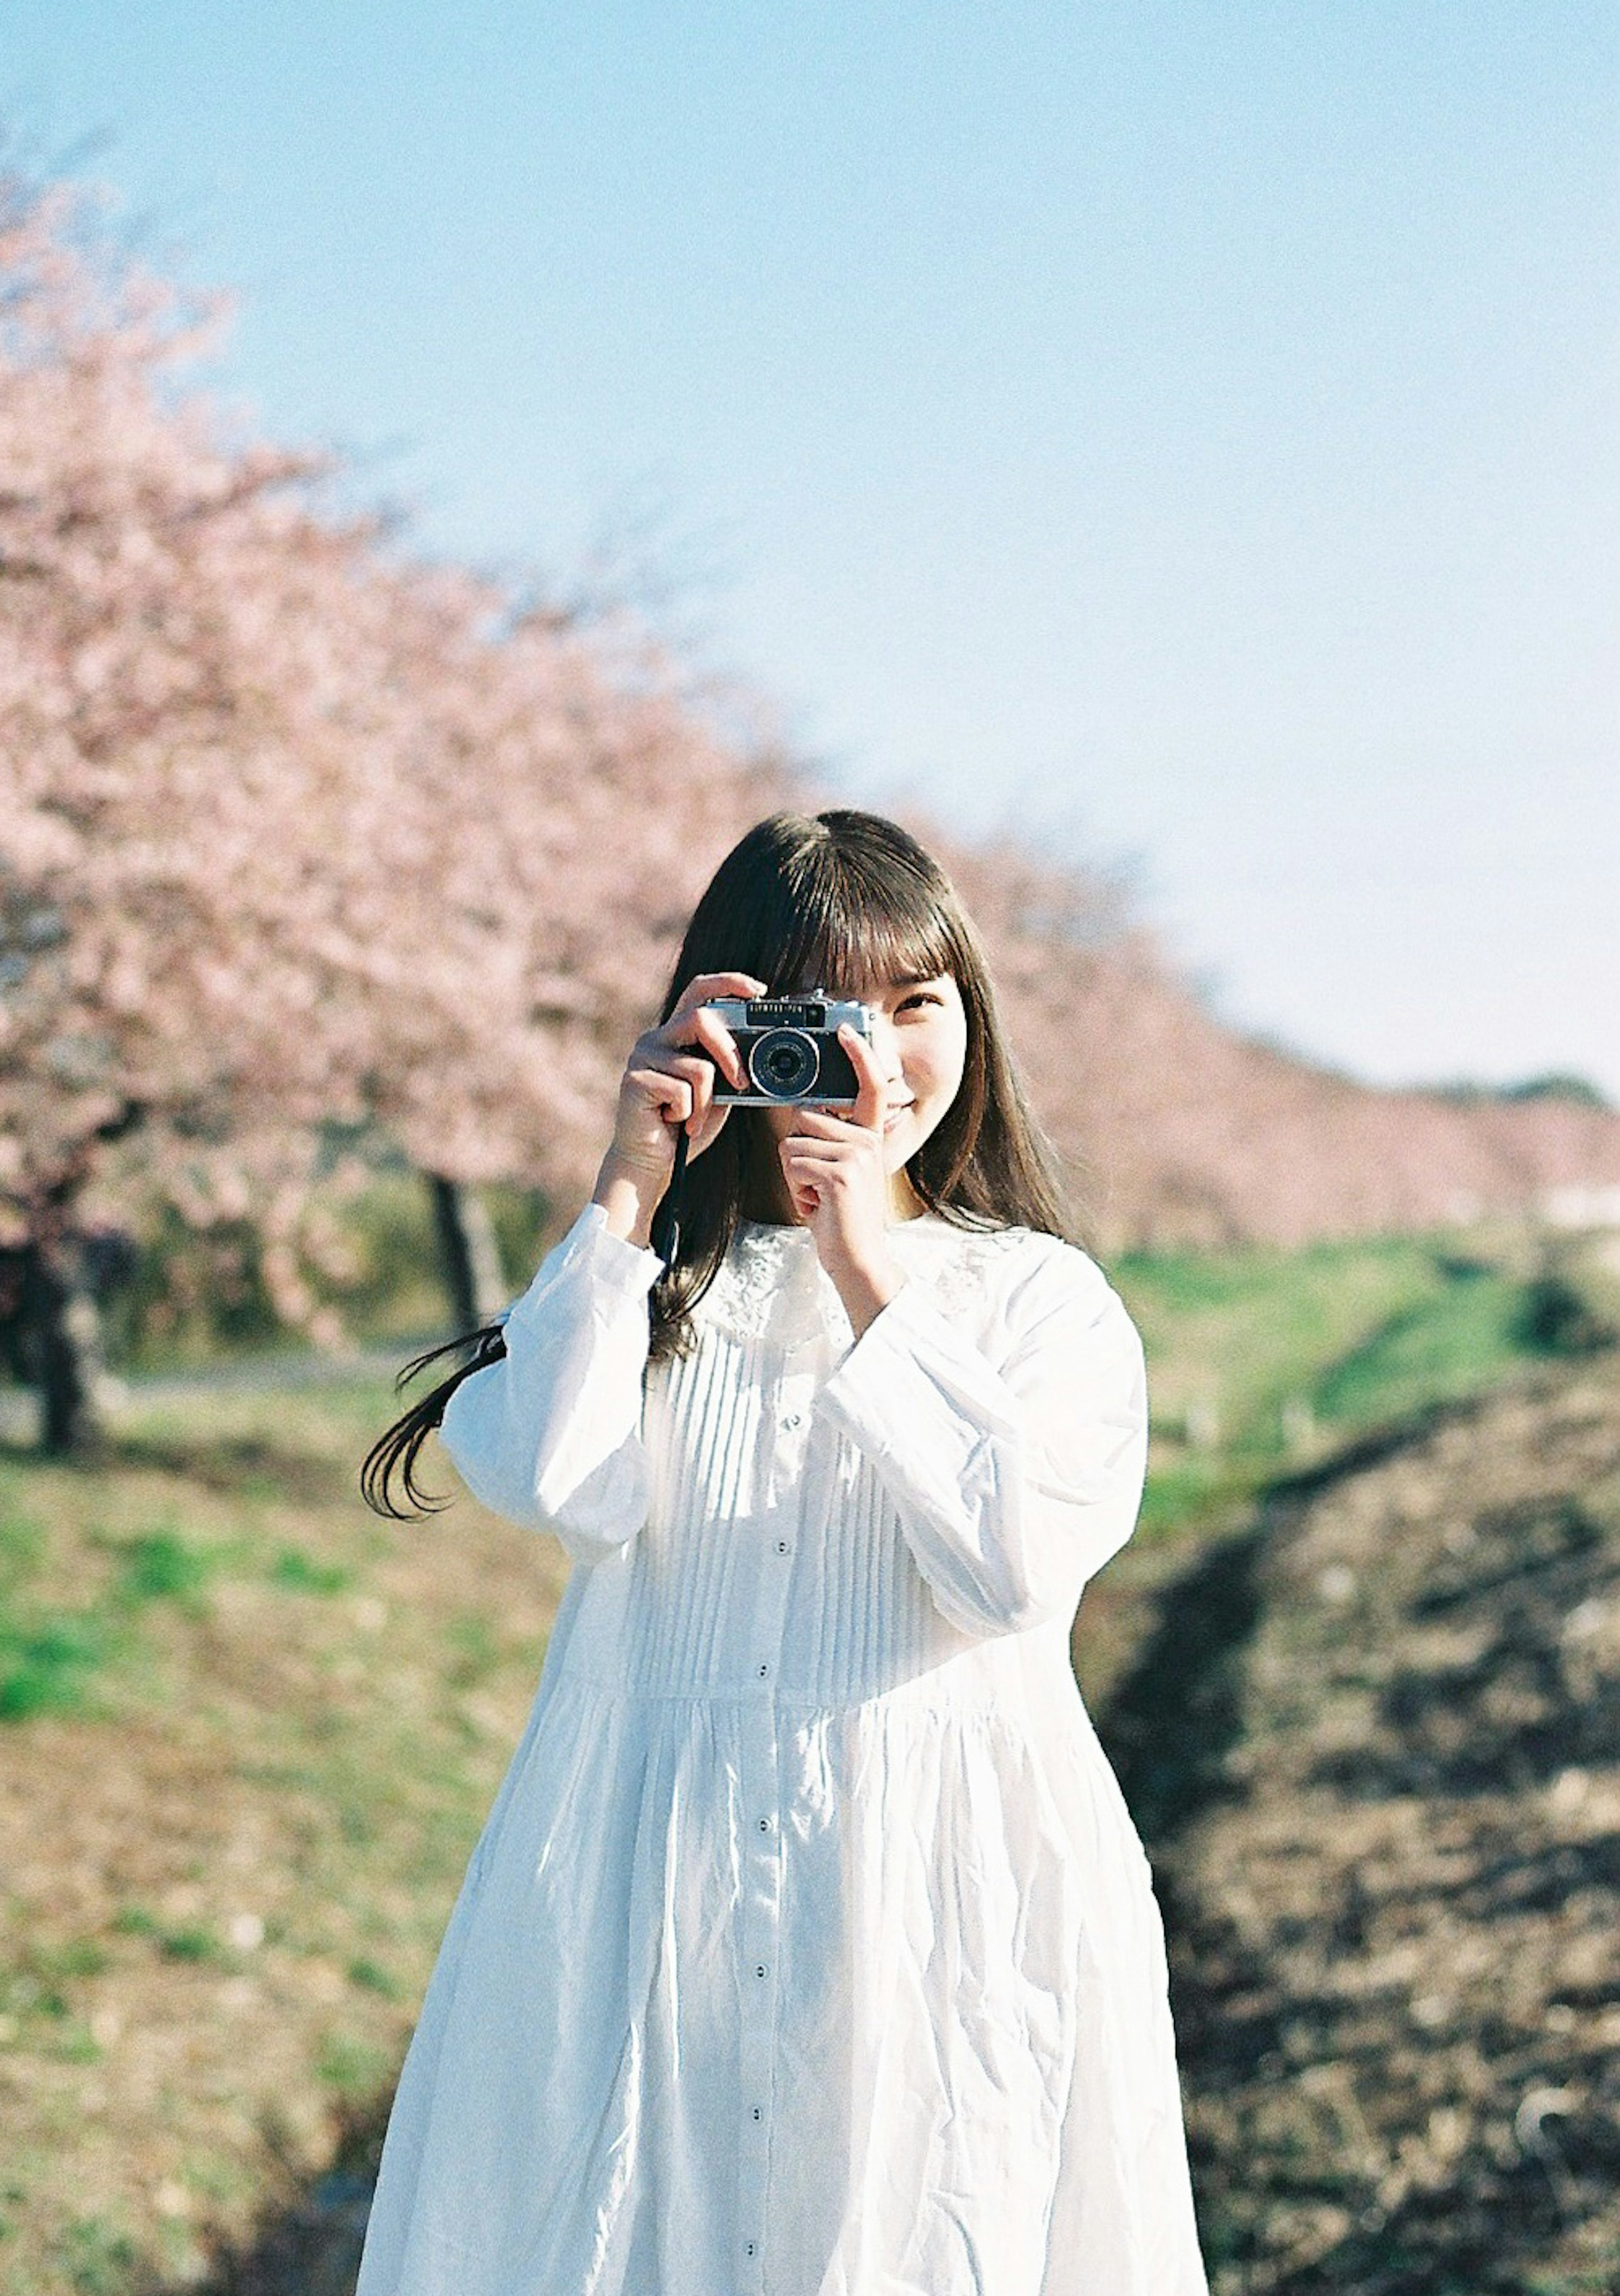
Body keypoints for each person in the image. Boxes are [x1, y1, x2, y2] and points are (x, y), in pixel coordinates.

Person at [355, 808, 1209, 2296]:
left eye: (913, 1004)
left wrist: (866, 1251)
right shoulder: (650, 1289)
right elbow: (555, 1471)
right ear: (739, 1025)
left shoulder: (1039, 1303)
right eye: (822, 1009)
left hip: (936, 1903)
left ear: (972, 1023)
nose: (872, 1052)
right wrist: (632, 1178)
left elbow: (1009, 1571)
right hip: (645, 1883)